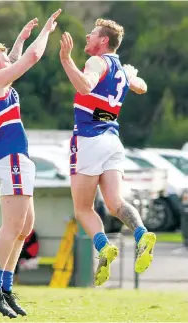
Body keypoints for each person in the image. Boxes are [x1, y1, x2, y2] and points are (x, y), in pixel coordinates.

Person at [0, 9, 61, 319]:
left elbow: (12, 58)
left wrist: (19, 39)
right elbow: (31, 58)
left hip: (16, 159)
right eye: (5, 60)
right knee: (12, 226)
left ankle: (6, 288)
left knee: (24, 229)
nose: (10, 61)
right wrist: (45, 33)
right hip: (10, 158)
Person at [59, 18, 156, 286]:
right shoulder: (120, 69)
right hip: (112, 141)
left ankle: (103, 247)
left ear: (103, 41)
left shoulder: (97, 62)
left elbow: (86, 86)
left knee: (83, 208)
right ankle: (141, 234)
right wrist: (130, 76)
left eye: (91, 35)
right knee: (115, 204)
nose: (87, 38)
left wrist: (66, 60)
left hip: (89, 138)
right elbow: (142, 86)